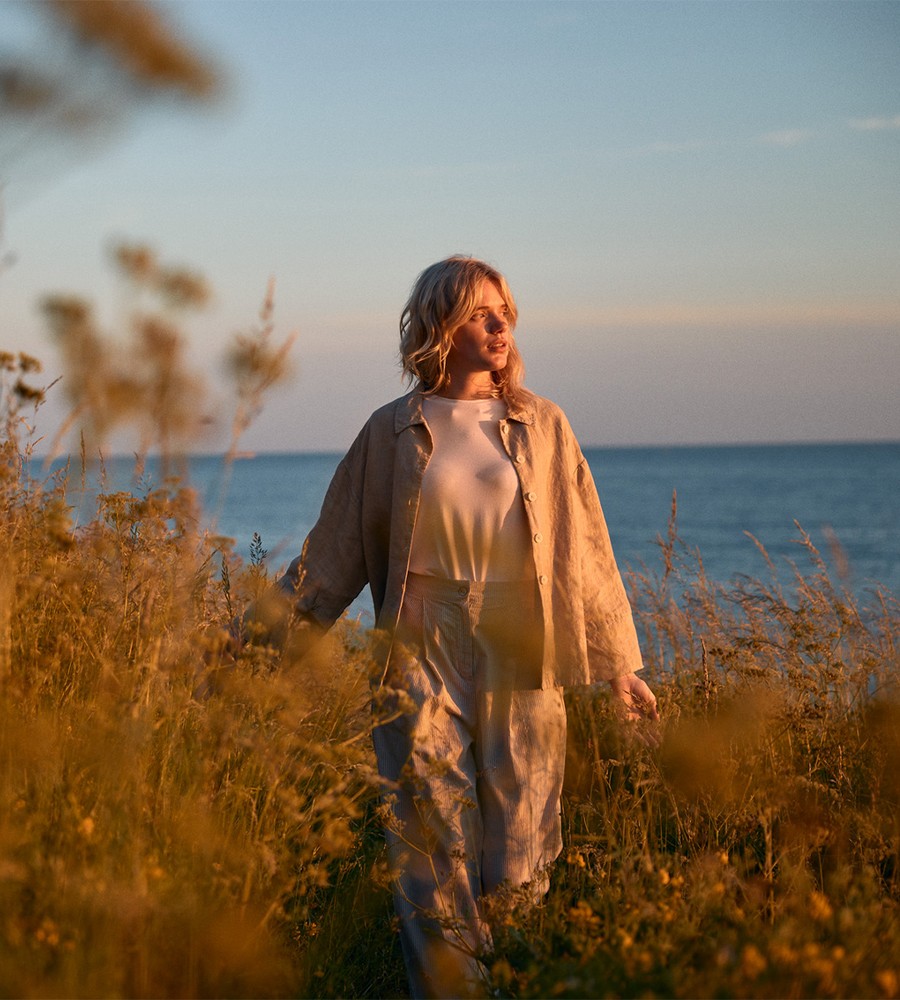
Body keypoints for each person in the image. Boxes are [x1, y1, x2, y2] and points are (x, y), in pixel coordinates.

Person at [259, 257, 658, 998]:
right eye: (480, 313)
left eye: (504, 311)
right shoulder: (391, 431)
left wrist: (618, 666)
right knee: (429, 839)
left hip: (524, 639)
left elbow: (585, 547)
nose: (500, 326)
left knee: (523, 847)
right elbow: (336, 545)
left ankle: (514, 981)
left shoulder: (544, 424)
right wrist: (262, 649)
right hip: (421, 635)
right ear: (440, 326)